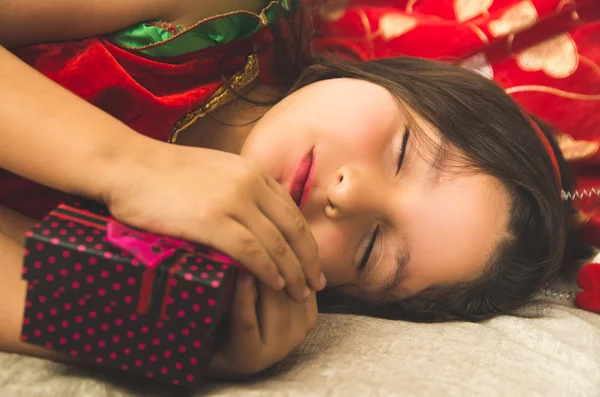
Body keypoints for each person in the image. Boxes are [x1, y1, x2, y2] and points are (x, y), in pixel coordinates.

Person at [0, 0, 592, 377]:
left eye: (370, 249)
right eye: (403, 152)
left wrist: (160, 332)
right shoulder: (213, 14)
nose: (349, 196)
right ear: (385, 77)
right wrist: (129, 166)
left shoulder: (188, 267)